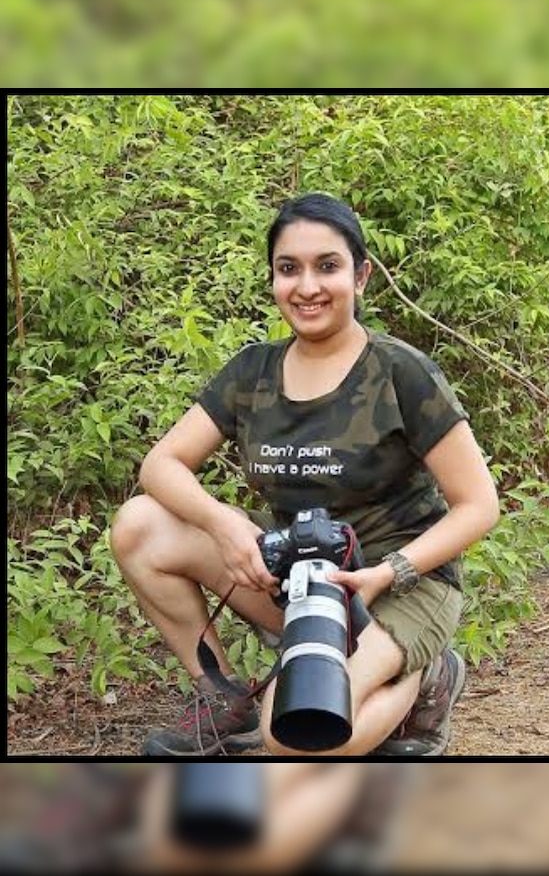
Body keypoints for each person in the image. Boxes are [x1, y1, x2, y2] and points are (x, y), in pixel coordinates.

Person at [111, 192, 500, 756]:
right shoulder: (253, 371)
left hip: (400, 584)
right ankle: (223, 699)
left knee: (292, 738)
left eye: (328, 266)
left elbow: (479, 504)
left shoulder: (400, 372)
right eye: (289, 268)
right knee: (140, 525)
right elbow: (161, 465)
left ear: (361, 276)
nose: (307, 286)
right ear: (272, 279)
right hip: (298, 578)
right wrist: (225, 525)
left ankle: (426, 678)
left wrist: (388, 573)